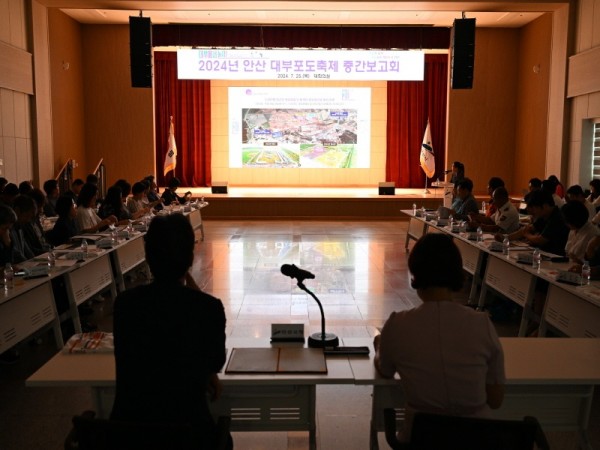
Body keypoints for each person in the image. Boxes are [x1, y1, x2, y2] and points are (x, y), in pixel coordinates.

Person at [110, 213, 229, 449]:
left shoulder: (125, 304)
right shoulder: (207, 309)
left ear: (147, 255)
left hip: (129, 437)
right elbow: (215, 362)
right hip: (192, 435)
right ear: (191, 258)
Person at [373, 233, 505, 441]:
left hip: (420, 439)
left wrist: (380, 344)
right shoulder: (482, 324)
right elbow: (496, 400)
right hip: (478, 440)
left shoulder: (397, 324)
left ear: (415, 273)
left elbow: (385, 369)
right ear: (456, 272)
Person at [500, 189, 569, 255]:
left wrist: (526, 234)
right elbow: (528, 229)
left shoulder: (557, 218)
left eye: (534, 208)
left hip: (555, 257)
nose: (533, 211)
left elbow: (540, 240)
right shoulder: (544, 215)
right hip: (543, 254)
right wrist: (505, 238)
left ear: (544, 206)